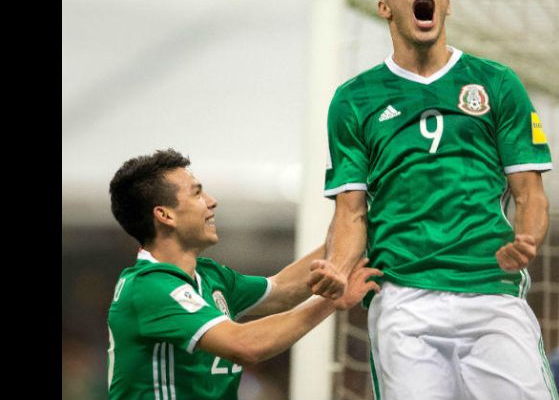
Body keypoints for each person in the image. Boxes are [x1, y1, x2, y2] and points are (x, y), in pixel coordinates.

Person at [307, 0, 559, 400]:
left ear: (446, 1)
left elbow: (530, 194)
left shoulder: (498, 83)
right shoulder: (354, 100)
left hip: (491, 292)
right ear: (384, 7)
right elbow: (350, 211)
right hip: (405, 300)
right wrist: (339, 269)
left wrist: (528, 239)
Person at [106, 149, 382, 399]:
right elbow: (244, 344)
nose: (211, 201)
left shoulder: (209, 275)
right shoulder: (149, 287)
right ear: (165, 215)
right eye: (197, 193)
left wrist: (357, 222)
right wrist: (331, 302)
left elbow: (284, 290)